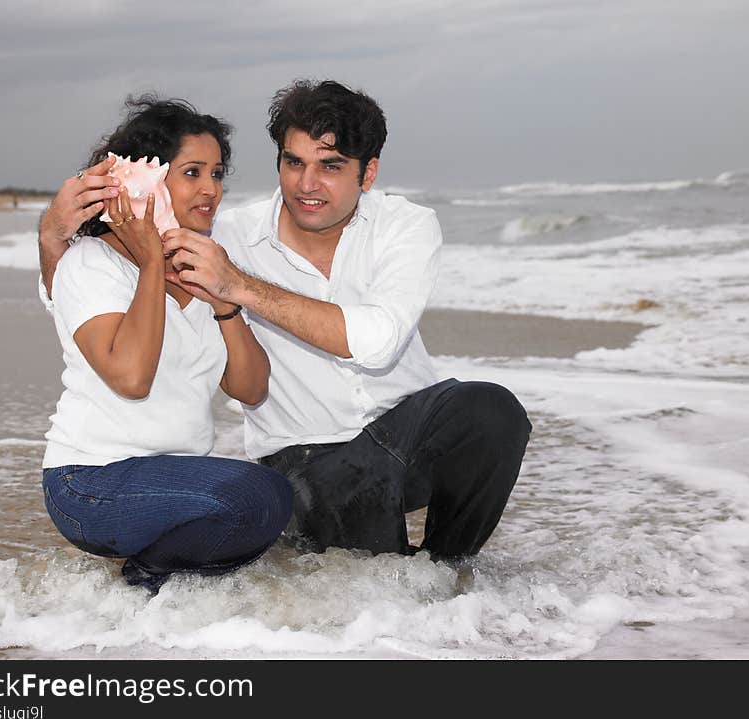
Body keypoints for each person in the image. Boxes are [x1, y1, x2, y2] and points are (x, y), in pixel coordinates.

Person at [39, 80, 531, 561]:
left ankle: (446, 573)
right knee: (374, 594)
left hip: (406, 435)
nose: (307, 184)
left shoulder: (404, 226)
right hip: (310, 463)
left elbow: (377, 341)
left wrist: (235, 288)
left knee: (490, 410)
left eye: (331, 166)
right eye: (293, 162)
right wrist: (52, 238)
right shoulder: (221, 236)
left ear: (369, 172)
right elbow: (89, 292)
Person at [39, 96, 293, 594]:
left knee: (278, 498)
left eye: (217, 174)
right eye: (193, 172)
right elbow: (131, 377)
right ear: (145, 179)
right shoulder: (91, 263)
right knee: (259, 498)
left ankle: (163, 587)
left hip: (169, 478)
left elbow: (251, 388)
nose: (211, 190)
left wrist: (223, 301)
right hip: (89, 483)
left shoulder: (204, 265)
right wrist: (153, 263)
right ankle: (145, 580)